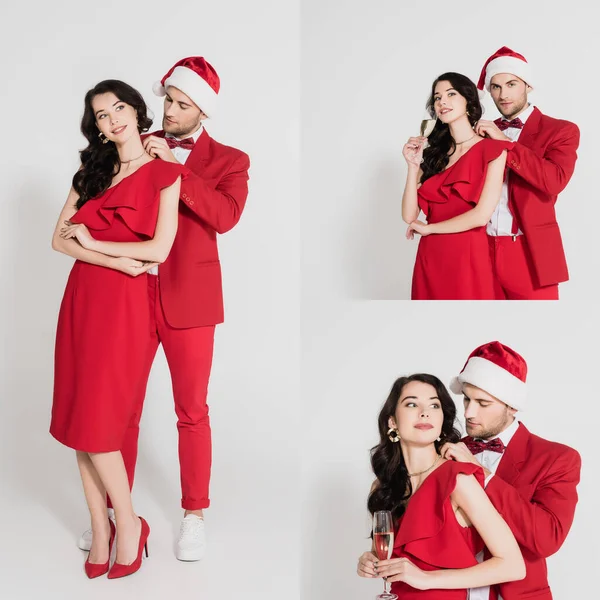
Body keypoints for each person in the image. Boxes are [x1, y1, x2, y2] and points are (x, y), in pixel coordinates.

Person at [76, 56, 251, 561]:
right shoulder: (136, 144)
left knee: (191, 411)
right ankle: (116, 513)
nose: (169, 110)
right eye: (167, 100)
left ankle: (193, 515)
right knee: (118, 410)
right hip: (124, 294)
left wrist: (174, 169)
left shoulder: (230, 160)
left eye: (182, 104)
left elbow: (225, 217)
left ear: (204, 111)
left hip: (190, 301)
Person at [50, 79, 188, 578]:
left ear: (136, 110)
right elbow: (59, 240)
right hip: (82, 299)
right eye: (101, 116)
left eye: (119, 108)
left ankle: (129, 523)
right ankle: (102, 528)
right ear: (98, 128)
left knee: (100, 420)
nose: (112, 119)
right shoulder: (91, 171)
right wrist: (105, 254)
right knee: (79, 424)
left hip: (126, 307)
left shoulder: (163, 172)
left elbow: (158, 250)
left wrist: (101, 248)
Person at [357, 374, 525, 599]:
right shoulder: (382, 486)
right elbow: (389, 554)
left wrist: (426, 579)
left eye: (434, 405)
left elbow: (513, 565)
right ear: (392, 421)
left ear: (442, 419)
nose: (424, 412)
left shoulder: (457, 479)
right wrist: (370, 560)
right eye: (412, 403)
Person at [443, 341, 581, 599]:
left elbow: (546, 539)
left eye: (483, 403)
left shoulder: (557, 458)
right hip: (448, 591)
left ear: (512, 406)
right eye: (467, 400)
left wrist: (481, 473)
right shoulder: (450, 452)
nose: (469, 413)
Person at [475, 47, 579, 299]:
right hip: (480, 249)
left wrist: (506, 144)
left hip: (529, 253)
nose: (503, 94)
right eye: (496, 87)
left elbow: (553, 181)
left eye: (511, 84)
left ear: (527, 86)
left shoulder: (561, 130)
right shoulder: (482, 131)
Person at [402, 72, 512, 300]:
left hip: (468, 254)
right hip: (430, 257)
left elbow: (481, 216)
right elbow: (409, 215)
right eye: (437, 97)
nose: (442, 101)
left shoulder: (493, 150)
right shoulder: (434, 155)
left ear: (469, 102)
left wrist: (430, 228)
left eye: (451, 94)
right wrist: (412, 167)